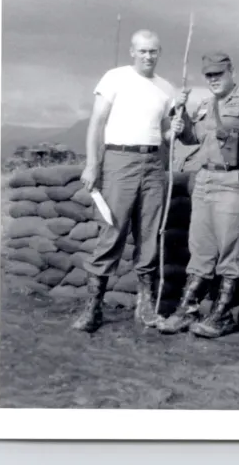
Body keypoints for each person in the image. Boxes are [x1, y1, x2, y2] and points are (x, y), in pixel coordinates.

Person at [157, 52, 239, 338]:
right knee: (200, 249)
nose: (214, 80)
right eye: (209, 75)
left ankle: (223, 314)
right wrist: (181, 123)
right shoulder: (203, 105)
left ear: (231, 72)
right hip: (205, 181)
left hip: (236, 181)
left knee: (231, 249)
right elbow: (193, 139)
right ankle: (186, 311)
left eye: (219, 74)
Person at [72, 29, 178, 333]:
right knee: (113, 230)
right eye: (143, 51)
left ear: (159, 53)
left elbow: (168, 133)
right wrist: (93, 164)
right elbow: (97, 122)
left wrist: (177, 127)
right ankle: (93, 309)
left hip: (153, 163)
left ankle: (144, 309)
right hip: (119, 160)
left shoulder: (166, 88)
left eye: (153, 51)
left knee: (150, 232)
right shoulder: (115, 78)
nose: (148, 56)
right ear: (133, 52)